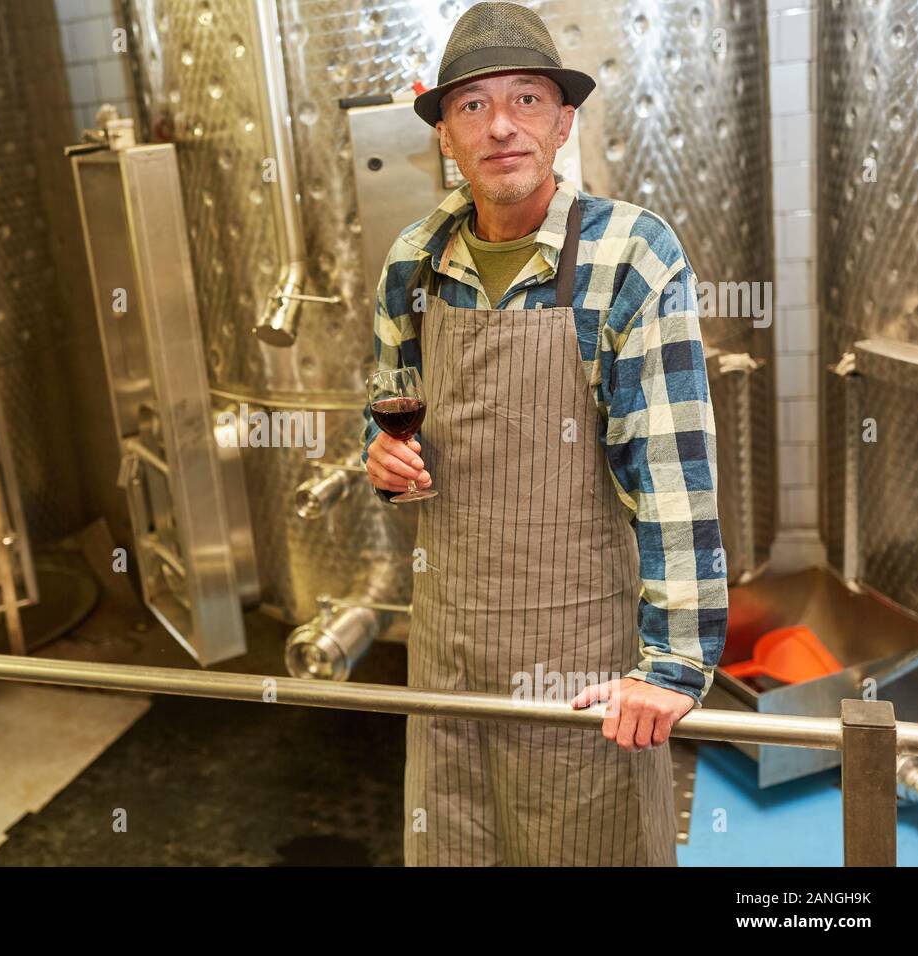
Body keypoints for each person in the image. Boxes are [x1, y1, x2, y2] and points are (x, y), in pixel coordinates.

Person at [359, 1, 728, 866]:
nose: (501, 128)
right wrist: (380, 462)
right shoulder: (413, 260)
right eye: (473, 106)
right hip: (447, 650)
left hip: (580, 664)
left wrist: (671, 665)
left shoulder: (633, 256)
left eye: (526, 100)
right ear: (444, 135)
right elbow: (385, 412)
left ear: (564, 122)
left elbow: (671, 473)